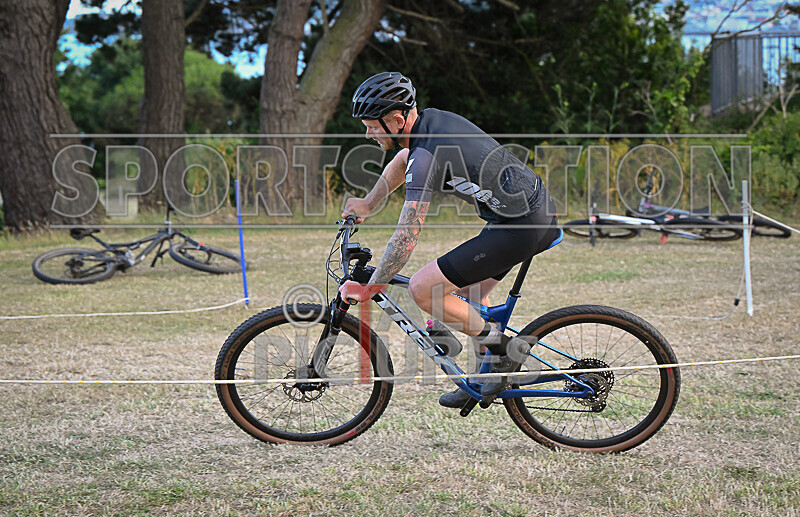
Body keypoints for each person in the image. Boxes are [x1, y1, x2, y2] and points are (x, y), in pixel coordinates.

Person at [339, 71, 560, 408]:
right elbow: (402, 160)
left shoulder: (426, 154)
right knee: (468, 299)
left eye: (371, 126)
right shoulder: (429, 125)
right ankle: (483, 378)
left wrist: (373, 286)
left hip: (522, 225)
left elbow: (407, 233)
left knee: (424, 288)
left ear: (396, 120)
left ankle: (504, 352)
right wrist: (368, 203)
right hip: (523, 216)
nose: (367, 134)